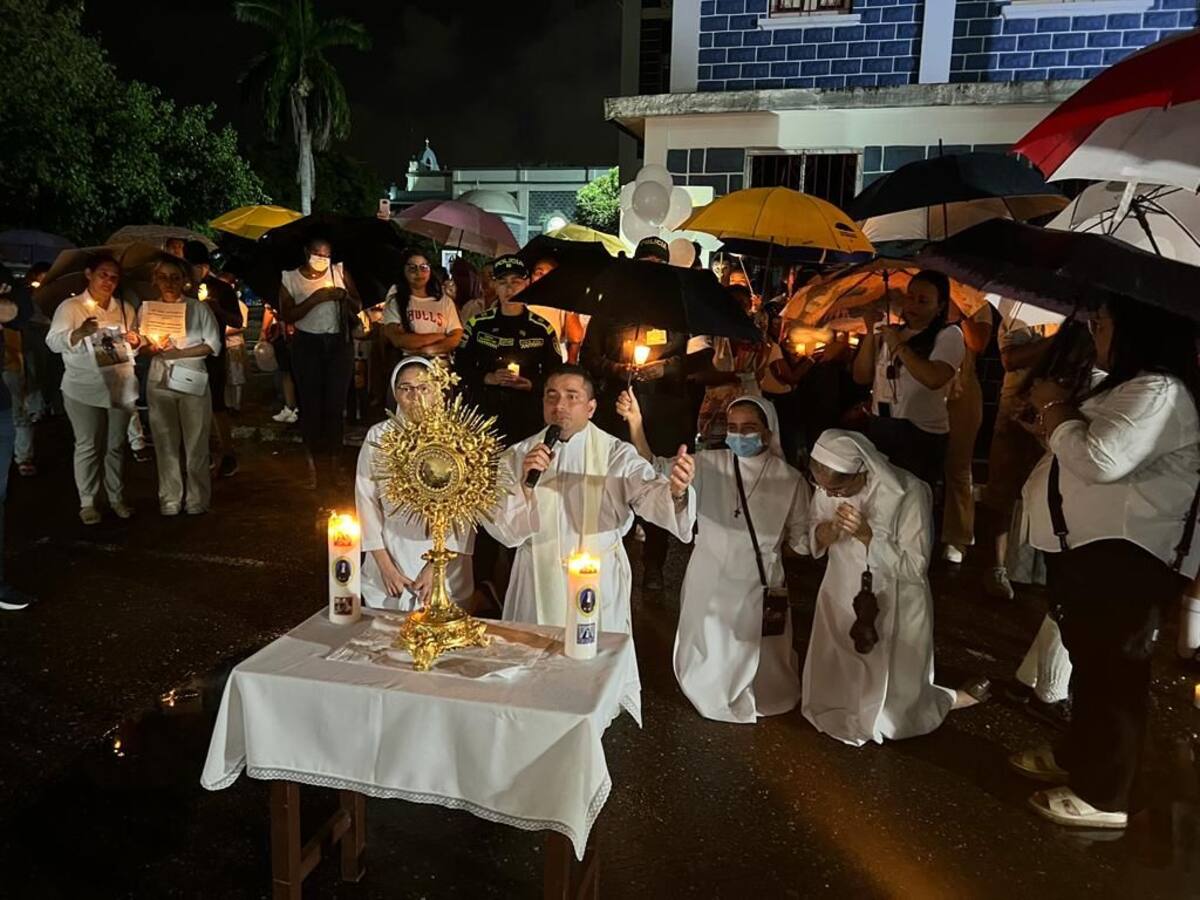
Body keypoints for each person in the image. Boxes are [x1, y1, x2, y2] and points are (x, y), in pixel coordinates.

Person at [1013, 297, 1200, 830]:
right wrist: (1049, 423)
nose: (1094, 331)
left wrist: (1053, 410)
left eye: (1102, 323)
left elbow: (1101, 459)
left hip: (1127, 556)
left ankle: (1105, 793)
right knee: (1090, 663)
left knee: (1113, 675)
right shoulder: (1126, 385)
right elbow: (1086, 445)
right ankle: (1079, 756)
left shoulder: (1159, 391)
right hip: (1094, 550)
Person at [621, 389, 810, 723]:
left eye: (748, 427)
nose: (738, 434)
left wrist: (771, 557)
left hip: (760, 578)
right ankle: (711, 688)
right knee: (712, 645)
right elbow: (653, 465)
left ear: (767, 431)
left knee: (758, 647)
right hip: (711, 571)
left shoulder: (791, 480)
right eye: (732, 427)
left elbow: (799, 540)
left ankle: (760, 693)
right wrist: (636, 422)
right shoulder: (708, 463)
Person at [485, 365, 696, 634]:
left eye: (572, 396)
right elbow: (504, 532)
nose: (560, 405)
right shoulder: (517, 455)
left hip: (597, 579)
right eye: (552, 396)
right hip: (537, 576)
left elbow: (648, 492)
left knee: (595, 665)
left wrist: (676, 493)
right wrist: (525, 487)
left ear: (591, 408)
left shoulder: (615, 454)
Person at [803, 429, 981, 746]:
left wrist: (868, 535)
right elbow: (814, 534)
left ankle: (908, 711)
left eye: (838, 489)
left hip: (895, 595)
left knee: (891, 675)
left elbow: (915, 566)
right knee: (840, 659)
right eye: (824, 489)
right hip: (841, 587)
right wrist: (828, 532)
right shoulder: (829, 488)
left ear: (861, 470)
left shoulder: (909, 491)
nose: (831, 496)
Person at [581, 236, 693, 591]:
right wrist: (619, 369)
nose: (650, 271)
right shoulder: (610, 308)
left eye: (657, 266)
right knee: (614, 482)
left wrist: (664, 369)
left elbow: (687, 360)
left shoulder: (677, 310)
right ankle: (617, 555)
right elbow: (589, 356)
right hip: (617, 409)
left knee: (655, 480)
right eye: (644, 263)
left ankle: (655, 564)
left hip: (662, 413)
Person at [356, 358, 474, 608]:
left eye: (423, 388)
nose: (415, 396)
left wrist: (436, 567)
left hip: (445, 557)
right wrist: (384, 565)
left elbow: (469, 508)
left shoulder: (457, 438)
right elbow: (366, 499)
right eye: (405, 388)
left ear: (437, 391)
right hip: (390, 553)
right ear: (395, 392)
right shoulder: (379, 436)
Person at [46, 255, 141, 524]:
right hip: (83, 386)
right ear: (89, 274)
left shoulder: (124, 308)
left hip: (120, 384)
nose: (108, 281)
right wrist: (79, 333)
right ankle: (87, 501)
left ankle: (116, 498)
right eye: (103, 274)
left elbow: (132, 344)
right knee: (88, 445)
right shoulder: (71, 307)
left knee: (115, 446)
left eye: (113, 277)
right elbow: (53, 342)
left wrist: (135, 340)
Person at [851, 273, 964, 487]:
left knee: (914, 500)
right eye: (910, 297)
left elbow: (933, 378)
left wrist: (899, 347)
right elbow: (861, 376)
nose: (913, 305)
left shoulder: (949, 335)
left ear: (940, 307)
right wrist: (869, 332)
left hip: (920, 433)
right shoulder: (893, 332)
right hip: (882, 424)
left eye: (923, 301)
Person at [979, 313, 1057, 600]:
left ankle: (1037, 568)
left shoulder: (1080, 318)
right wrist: (1059, 340)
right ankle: (997, 567)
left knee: (1050, 493)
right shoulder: (1021, 315)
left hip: (1058, 411)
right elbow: (1011, 359)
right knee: (1003, 491)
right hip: (1016, 410)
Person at [139, 257, 221, 516]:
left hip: (191, 377)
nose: (169, 283)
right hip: (159, 379)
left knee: (196, 442)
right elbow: (142, 344)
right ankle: (170, 499)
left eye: (175, 277)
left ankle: (197, 499)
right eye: (163, 277)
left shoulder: (198, 309)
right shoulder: (147, 310)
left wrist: (178, 353)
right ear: (155, 280)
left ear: (184, 280)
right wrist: (152, 347)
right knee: (164, 441)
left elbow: (212, 344)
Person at [279, 236, 362, 489]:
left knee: (335, 408)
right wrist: (316, 298)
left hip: (338, 344)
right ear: (306, 252)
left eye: (326, 254)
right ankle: (313, 466)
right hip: (307, 345)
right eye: (317, 253)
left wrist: (343, 298)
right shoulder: (290, 277)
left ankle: (334, 466)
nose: (321, 259)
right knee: (311, 407)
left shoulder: (339, 271)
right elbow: (287, 313)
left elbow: (357, 305)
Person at [457, 255, 561, 445]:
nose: (510, 288)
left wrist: (531, 384)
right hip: (485, 410)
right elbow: (460, 366)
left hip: (527, 413)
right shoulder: (478, 324)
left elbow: (555, 373)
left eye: (516, 281)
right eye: (503, 282)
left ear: (527, 283)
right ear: (494, 285)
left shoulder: (542, 328)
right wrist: (488, 377)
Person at [941, 303, 994, 563]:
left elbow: (978, 343)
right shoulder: (915, 291)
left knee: (958, 465)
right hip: (924, 388)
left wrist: (960, 315)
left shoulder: (974, 303)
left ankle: (957, 536)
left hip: (961, 391)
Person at [185, 241, 242, 478]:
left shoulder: (222, 289)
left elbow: (238, 322)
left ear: (205, 266)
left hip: (213, 354)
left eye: (196, 266)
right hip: (186, 355)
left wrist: (216, 309)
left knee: (217, 405)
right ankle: (202, 452)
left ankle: (227, 454)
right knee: (191, 405)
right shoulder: (184, 289)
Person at [382, 249, 463, 360]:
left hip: (440, 367)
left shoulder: (444, 301)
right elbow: (397, 339)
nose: (418, 273)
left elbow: (456, 336)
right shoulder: (395, 302)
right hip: (408, 366)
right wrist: (438, 336)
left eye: (423, 267)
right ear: (403, 270)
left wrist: (429, 350)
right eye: (412, 268)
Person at [260, 303, 298, 423]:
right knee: (285, 372)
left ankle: (297, 407)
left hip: (298, 334)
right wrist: (263, 331)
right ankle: (289, 406)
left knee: (297, 373)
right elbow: (269, 310)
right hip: (282, 336)